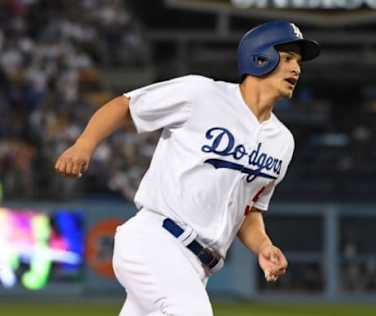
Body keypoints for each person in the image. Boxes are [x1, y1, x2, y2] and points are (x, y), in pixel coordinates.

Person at [54, 21, 320, 316]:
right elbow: (125, 106)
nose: (297, 69)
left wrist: (263, 247)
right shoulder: (202, 94)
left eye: (298, 61)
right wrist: (84, 144)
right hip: (155, 239)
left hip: (196, 268)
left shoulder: (282, 142)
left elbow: (249, 211)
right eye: (287, 59)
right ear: (260, 58)